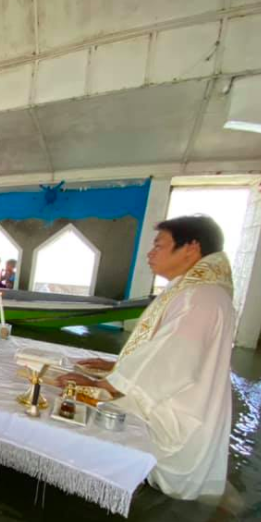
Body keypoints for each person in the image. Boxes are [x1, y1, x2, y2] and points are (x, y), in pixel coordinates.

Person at [58, 215, 233, 501]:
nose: (150, 254)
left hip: (176, 415)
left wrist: (101, 387)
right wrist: (117, 367)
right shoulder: (202, 292)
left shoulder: (198, 297)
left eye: (159, 245)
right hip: (191, 403)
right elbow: (169, 350)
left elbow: (172, 363)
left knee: (72, 412)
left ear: (191, 248)